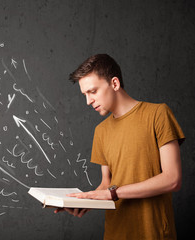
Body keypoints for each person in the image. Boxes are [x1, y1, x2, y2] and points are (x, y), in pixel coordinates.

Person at [56, 54, 185, 239]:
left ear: (114, 84)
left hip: (154, 233)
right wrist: (85, 200)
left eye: (93, 91)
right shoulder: (100, 131)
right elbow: (107, 185)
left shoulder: (158, 114)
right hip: (115, 233)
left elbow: (172, 179)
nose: (88, 101)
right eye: (85, 95)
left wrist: (113, 193)